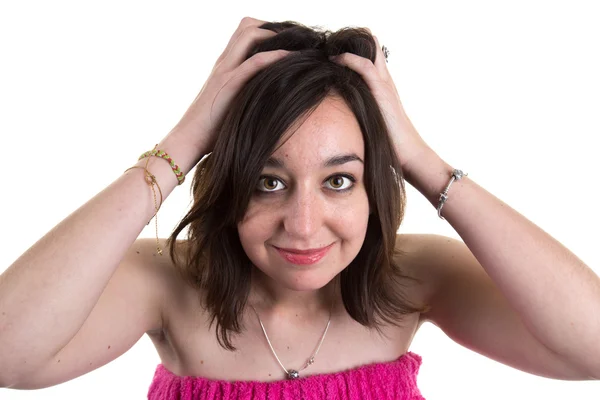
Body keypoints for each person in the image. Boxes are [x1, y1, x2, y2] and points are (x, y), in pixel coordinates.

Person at [1, 17, 599, 399]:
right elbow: (9, 357)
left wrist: (419, 158)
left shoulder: (409, 277)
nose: (304, 224)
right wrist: (184, 142)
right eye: (267, 181)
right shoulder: (167, 282)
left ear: (374, 186)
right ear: (229, 182)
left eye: (339, 180)